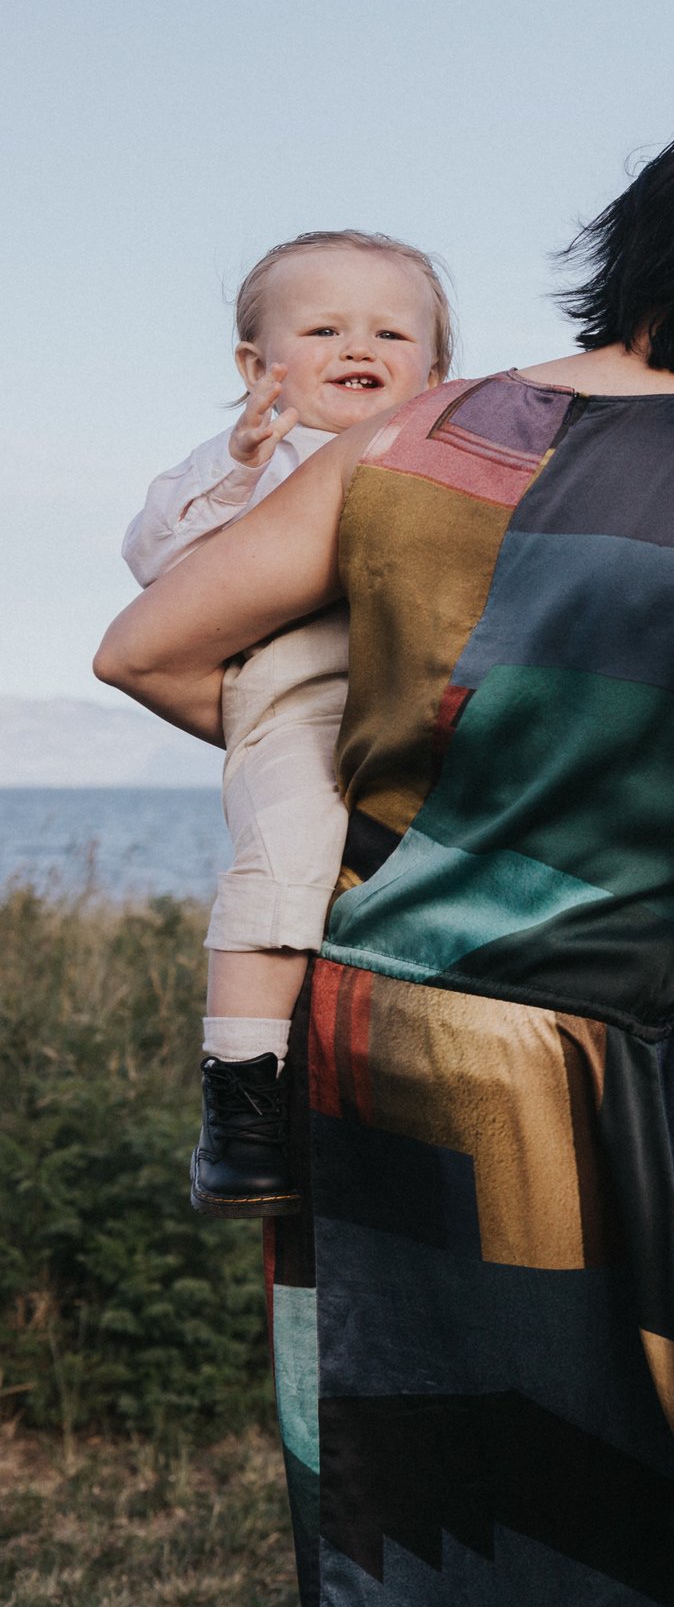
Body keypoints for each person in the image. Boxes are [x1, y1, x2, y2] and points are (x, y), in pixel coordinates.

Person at [95, 100, 674, 1607]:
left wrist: (375, 825)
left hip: (362, 1052)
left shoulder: (427, 431)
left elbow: (148, 644)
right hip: (589, 1095)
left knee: (421, 1542)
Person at [121, 230, 453, 1216]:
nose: (360, 345)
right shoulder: (256, 456)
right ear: (256, 368)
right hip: (300, 695)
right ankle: (242, 1095)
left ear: (438, 373)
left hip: (425, 692)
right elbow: (153, 560)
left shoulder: (436, 462)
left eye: (392, 331)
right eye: (323, 327)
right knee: (288, 850)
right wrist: (235, 465)